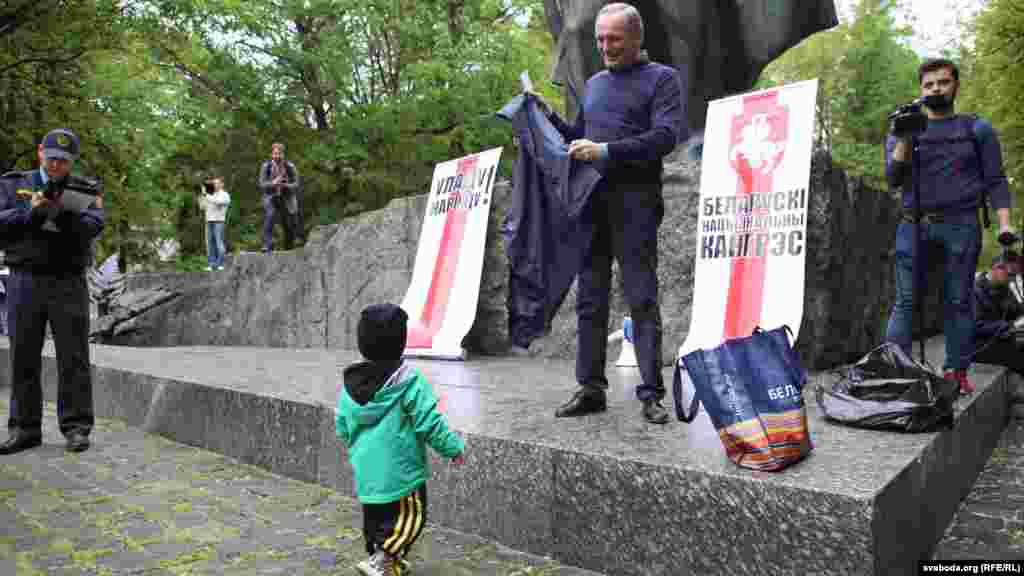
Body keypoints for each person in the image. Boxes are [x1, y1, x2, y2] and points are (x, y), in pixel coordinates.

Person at [535, 2, 686, 424]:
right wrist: (544, 115)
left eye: (614, 39)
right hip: (592, 206)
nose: (605, 46)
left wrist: (605, 152)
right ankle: (590, 388)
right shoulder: (596, 84)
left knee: (641, 298)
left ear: (636, 38)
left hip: (636, 205)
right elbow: (578, 136)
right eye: (600, 39)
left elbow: (664, 137)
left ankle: (652, 394)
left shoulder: (662, 79)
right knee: (590, 300)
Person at [885, 58, 1013, 395]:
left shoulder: (977, 129)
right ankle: (896, 371)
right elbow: (893, 179)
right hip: (914, 225)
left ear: (955, 85)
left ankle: (956, 371)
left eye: (942, 82)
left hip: (962, 224)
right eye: (928, 85)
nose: (935, 89)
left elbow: (996, 181)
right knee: (905, 300)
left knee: (959, 300)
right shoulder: (904, 126)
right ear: (921, 90)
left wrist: (1004, 224)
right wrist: (904, 138)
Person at [335, 303, 465, 576]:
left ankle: (383, 559)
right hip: (402, 474)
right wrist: (453, 448)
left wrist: (353, 443)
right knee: (411, 518)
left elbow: (342, 424)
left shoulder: (350, 383)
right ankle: (383, 559)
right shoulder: (409, 381)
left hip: (367, 471)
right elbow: (430, 422)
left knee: (376, 518)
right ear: (401, 341)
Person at [0, 128, 104, 454]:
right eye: (52, 158)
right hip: (24, 278)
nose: (57, 165)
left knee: (73, 356)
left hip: (68, 280)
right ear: (39, 153)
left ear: (72, 162)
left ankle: (76, 427)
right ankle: (24, 428)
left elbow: (93, 226)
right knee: (23, 356)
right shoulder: (12, 184)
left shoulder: (84, 189)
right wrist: (30, 213)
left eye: (64, 160)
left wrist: (61, 214)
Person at [972, 253, 1024, 375]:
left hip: (1000, 339)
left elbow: (1016, 311)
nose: (1012, 278)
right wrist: (1009, 325)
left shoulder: (1003, 288)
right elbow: (975, 327)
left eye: (1015, 275)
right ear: (997, 268)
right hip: (979, 346)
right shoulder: (974, 291)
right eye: (1010, 274)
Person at [258, 142, 301, 253]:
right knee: (270, 215)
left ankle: (290, 244)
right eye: (275, 153)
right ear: (271, 154)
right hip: (271, 196)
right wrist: (274, 183)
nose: (277, 156)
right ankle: (266, 244)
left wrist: (285, 185)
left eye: (279, 154)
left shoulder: (289, 166)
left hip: (286, 196)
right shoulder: (266, 166)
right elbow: (262, 184)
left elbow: (296, 184)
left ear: (283, 154)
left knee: (289, 221)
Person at [198, 176, 231, 271]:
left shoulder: (225, 194)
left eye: (216, 183)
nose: (214, 185)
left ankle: (220, 263)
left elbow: (218, 202)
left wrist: (206, 195)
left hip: (219, 221)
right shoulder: (209, 195)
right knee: (209, 244)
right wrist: (201, 197)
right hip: (208, 221)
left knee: (219, 242)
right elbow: (202, 207)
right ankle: (211, 264)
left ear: (222, 184)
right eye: (213, 183)